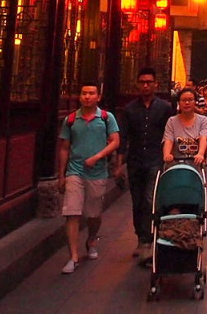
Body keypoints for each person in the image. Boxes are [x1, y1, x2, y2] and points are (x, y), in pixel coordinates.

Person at [57, 81, 120, 274]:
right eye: (84, 93)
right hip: (75, 171)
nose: (87, 97)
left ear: (98, 97)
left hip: (97, 172)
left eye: (91, 93)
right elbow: (64, 148)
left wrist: (98, 157)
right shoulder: (70, 120)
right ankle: (73, 257)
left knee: (94, 214)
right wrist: (62, 175)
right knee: (72, 212)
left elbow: (116, 141)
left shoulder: (106, 118)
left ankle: (91, 239)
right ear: (80, 96)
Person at [115, 67, 172, 263]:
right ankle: (140, 237)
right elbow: (123, 138)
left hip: (156, 160)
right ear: (138, 84)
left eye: (149, 82)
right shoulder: (130, 109)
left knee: (149, 199)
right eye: (142, 82)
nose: (146, 85)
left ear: (156, 84)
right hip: (136, 161)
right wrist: (118, 165)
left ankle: (148, 242)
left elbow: (169, 134)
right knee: (137, 201)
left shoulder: (164, 108)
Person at [163, 88, 207, 166]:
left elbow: (203, 138)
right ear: (179, 102)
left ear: (195, 102)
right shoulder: (172, 121)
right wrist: (167, 154)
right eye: (183, 100)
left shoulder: (203, 120)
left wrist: (201, 154)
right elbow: (168, 139)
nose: (187, 103)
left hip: (195, 165)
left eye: (190, 100)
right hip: (175, 164)